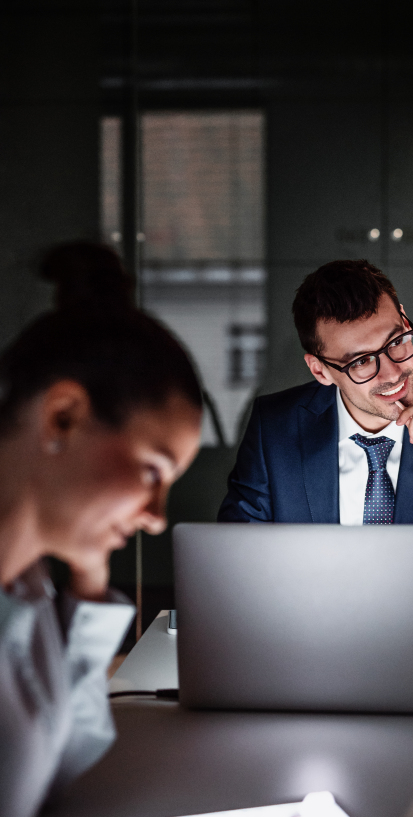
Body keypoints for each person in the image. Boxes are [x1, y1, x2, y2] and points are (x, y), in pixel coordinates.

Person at [0, 242, 203, 817]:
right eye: (151, 471)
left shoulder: (28, 587)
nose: (158, 518)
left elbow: (60, 760)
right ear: (63, 414)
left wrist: (89, 579)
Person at [218, 259, 413, 613]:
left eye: (396, 341)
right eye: (361, 362)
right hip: (311, 646)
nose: (394, 372)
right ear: (320, 370)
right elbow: (234, 576)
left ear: (402, 317)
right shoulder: (273, 428)